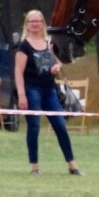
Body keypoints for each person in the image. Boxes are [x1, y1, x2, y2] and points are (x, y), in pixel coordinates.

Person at [14, 10, 81, 176]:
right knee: (34, 126)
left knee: (60, 125)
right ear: (27, 25)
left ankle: (72, 165)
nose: (35, 24)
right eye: (32, 21)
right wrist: (22, 95)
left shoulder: (49, 43)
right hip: (32, 89)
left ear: (43, 24)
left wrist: (57, 67)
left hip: (49, 89)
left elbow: (59, 62)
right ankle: (35, 167)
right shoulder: (24, 46)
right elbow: (18, 71)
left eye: (38, 21)